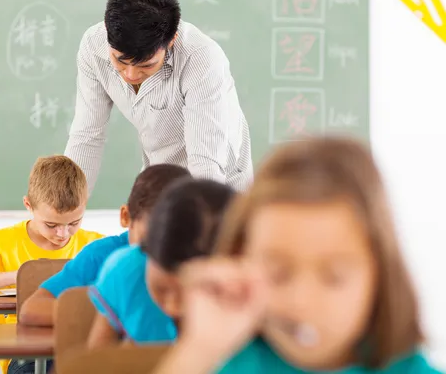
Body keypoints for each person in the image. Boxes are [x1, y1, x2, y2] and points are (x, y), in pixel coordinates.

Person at [154, 136, 443, 374]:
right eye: (277, 274)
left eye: (334, 278)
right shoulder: (231, 361)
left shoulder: (410, 369)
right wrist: (199, 349)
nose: (301, 302)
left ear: (379, 275)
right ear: (241, 259)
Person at [65, 0, 252, 194]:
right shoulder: (93, 46)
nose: (131, 75)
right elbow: (87, 135)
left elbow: (205, 162)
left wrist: (204, 217)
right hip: (160, 173)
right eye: (120, 61)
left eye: (146, 65)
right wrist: (68, 208)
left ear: (171, 41)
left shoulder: (202, 59)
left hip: (220, 180)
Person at [11, 164, 191, 374]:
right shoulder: (106, 257)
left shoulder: (197, 265)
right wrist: (111, 311)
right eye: (149, 238)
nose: (161, 248)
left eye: (175, 236)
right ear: (126, 217)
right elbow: (32, 310)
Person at [0, 155, 103, 374]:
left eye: (74, 223)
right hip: (26, 355)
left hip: (82, 347)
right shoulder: (2, 243)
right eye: (51, 224)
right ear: (28, 205)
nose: (63, 234)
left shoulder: (95, 245)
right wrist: (19, 276)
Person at [87, 178, 235, 347]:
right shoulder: (127, 269)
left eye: (186, 293)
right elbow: (95, 360)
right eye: (161, 289)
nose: (172, 307)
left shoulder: (251, 295)